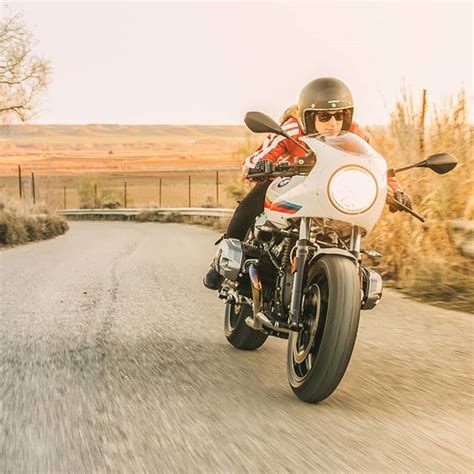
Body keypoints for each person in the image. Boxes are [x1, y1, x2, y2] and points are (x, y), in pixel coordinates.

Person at [203, 77, 411, 290]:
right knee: (253, 200)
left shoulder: (354, 134)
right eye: (324, 116)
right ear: (309, 117)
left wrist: (395, 190)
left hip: (330, 190)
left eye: (339, 115)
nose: (333, 123)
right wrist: (260, 165)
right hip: (289, 183)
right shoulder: (293, 128)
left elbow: (375, 165)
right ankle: (220, 262)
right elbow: (259, 155)